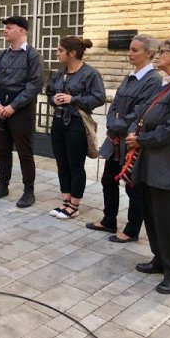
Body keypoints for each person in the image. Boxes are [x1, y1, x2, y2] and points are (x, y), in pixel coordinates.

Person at [126, 37, 170, 295]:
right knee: (154, 217)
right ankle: (160, 260)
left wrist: (141, 139)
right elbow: (144, 113)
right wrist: (135, 131)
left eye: (164, 52)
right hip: (153, 166)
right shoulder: (168, 84)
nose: (159, 55)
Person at [86, 35, 162, 242]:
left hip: (131, 141)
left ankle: (132, 230)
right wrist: (112, 127)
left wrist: (119, 129)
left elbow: (141, 114)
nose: (130, 53)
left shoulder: (153, 80)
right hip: (115, 139)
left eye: (135, 50)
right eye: (130, 49)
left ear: (149, 54)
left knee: (132, 186)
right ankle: (109, 220)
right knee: (107, 180)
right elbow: (115, 106)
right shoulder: (129, 76)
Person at [0, 16, 44, 208]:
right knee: (3, 150)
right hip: (0, 107)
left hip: (21, 110)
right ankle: (3, 185)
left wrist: (13, 106)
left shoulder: (33, 56)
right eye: (5, 27)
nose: (5, 30)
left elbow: (34, 85)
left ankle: (29, 191)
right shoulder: (1, 55)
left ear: (22, 31)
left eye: (9, 28)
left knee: (24, 152)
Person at [47, 35, 105, 219]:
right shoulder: (59, 73)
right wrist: (53, 99)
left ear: (72, 53)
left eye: (60, 50)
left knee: (75, 164)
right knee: (61, 162)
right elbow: (49, 92)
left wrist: (74, 99)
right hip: (58, 121)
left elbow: (98, 98)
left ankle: (74, 205)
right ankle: (65, 201)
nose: (57, 53)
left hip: (77, 123)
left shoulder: (90, 74)